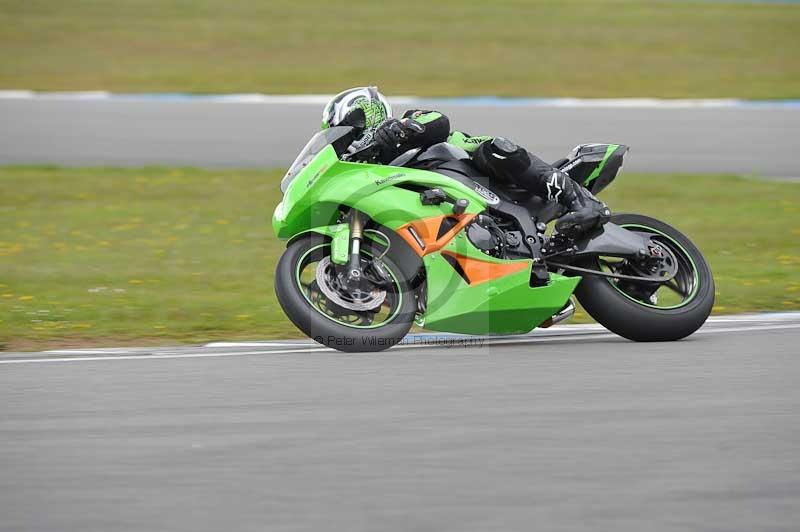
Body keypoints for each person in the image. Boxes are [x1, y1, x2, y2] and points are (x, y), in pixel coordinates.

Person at [321, 86, 610, 240]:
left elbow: (438, 122)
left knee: (496, 149)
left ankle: (581, 202)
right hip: (448, 210)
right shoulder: (371, 170)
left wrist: (403, 128)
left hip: (478, 171)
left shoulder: (404, 124)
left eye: (353, 127)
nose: (351, 139)